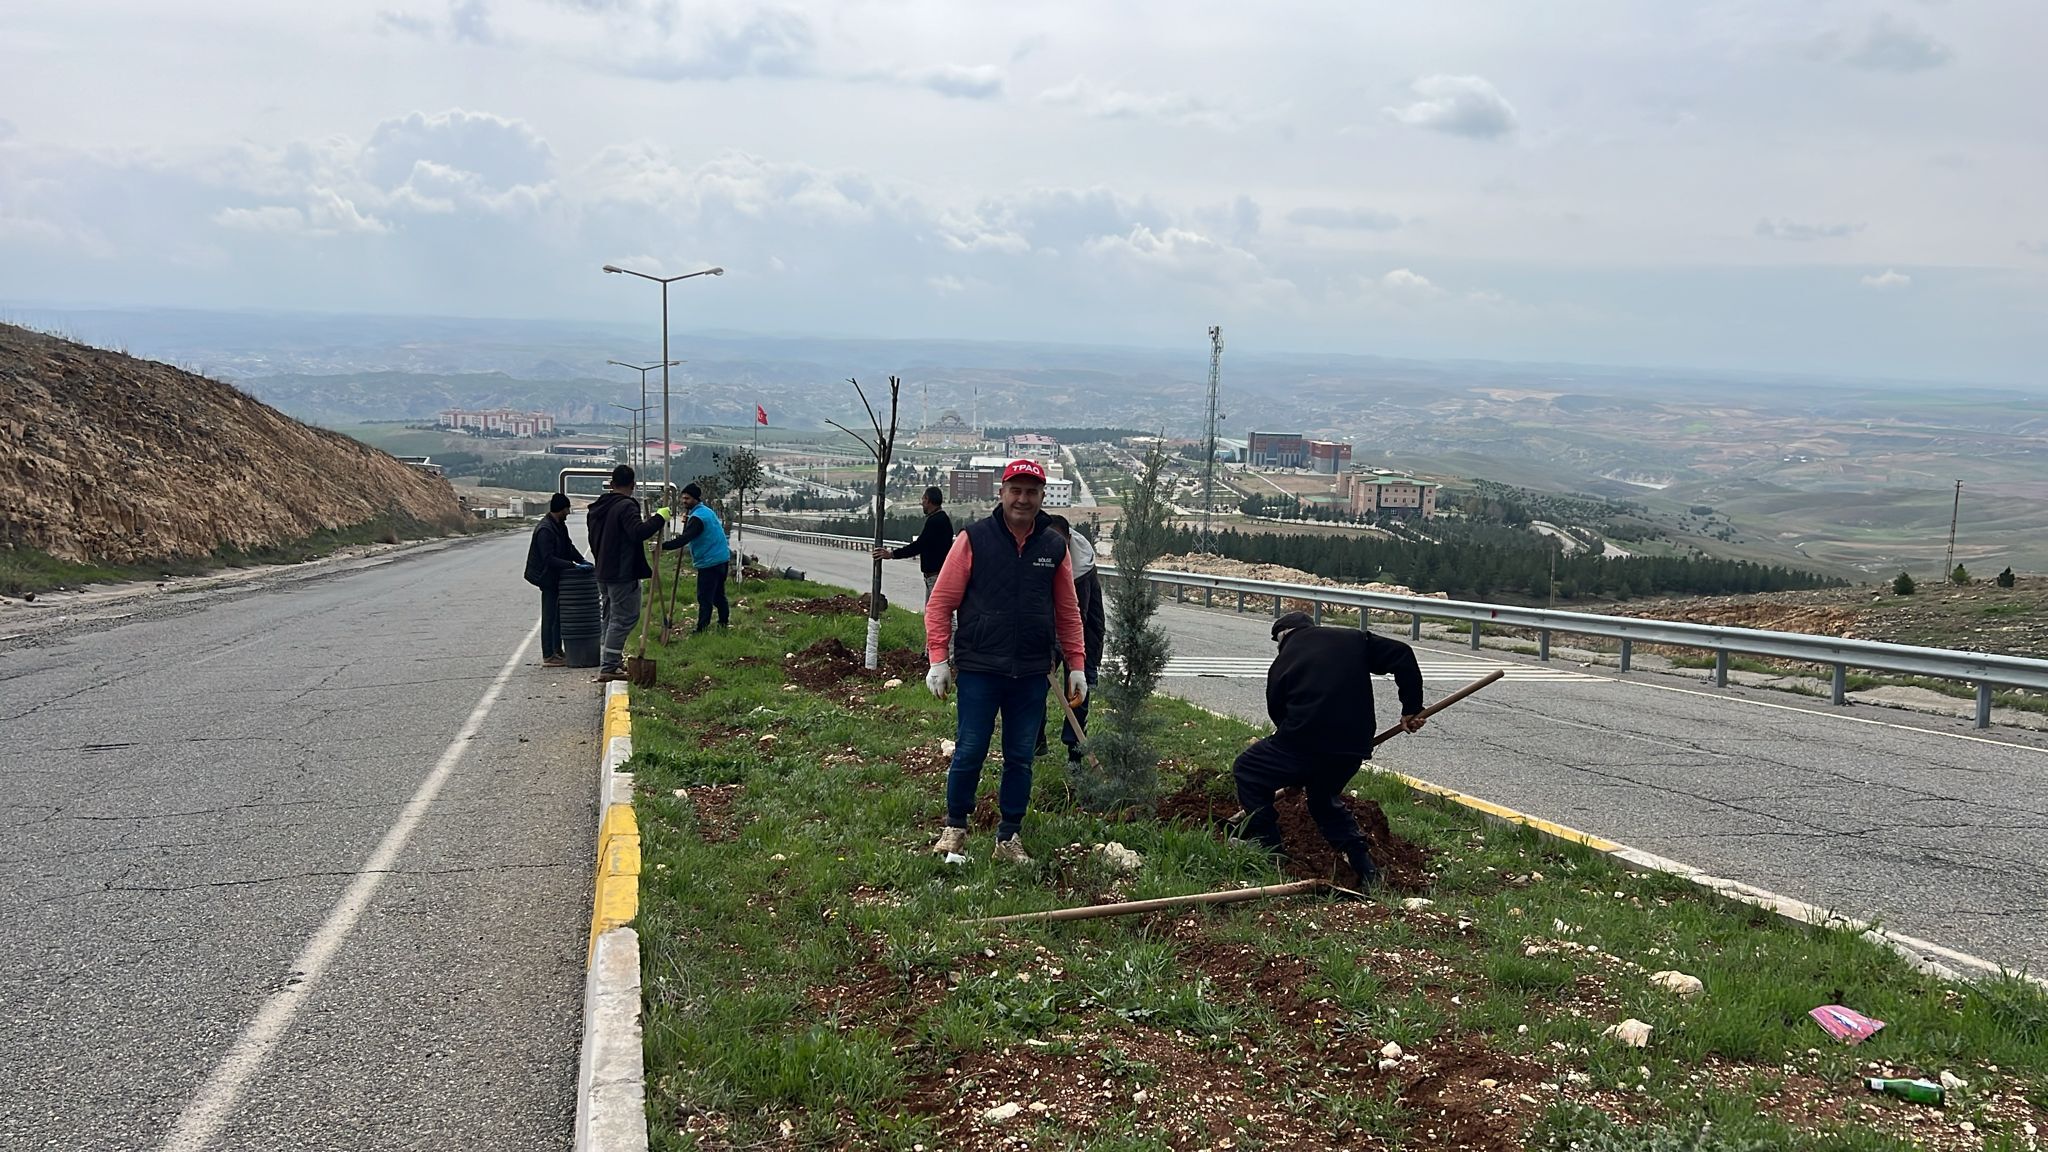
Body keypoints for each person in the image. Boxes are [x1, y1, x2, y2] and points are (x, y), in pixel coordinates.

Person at [924, 459, 1088, 864]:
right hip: (981, 667)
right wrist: (938, 658)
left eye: (1031, 491)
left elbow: (1068, 612)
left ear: (1041, 497)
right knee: (970, 750)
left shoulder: (1053, 548)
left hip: (1032, 672)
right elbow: (940, 603)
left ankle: (1008, 839)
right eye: (1015, 490)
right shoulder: (974, 539)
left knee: (1020, 757)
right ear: (1001, 493)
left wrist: (1077, 664)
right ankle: (955, 828)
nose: (1023, 498)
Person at [1233, 610, 1427, 887]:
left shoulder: (1282, 662)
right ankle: (1365, 869)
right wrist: (1411, 707)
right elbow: (1402, 654)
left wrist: (1293, 771)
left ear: (1284, 636)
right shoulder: (1352, 639)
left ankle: (1268, 848)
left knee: (1248, 769)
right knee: (1322, 798)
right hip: (1352, 745)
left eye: (1279, 642)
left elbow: (1281, 718)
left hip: (1304, 740)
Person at [585, 465, 669, 683]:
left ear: (611, 484)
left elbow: (593, 541)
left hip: (603, 571)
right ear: (632, 485)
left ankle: (609, 659)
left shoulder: (598, 508)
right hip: (622, 573)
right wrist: (659, 518)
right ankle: (609, 666)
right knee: (624, 618)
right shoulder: (626, 506)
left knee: (610, 616)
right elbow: (637, 532)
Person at [1041, 515, 1104, 769]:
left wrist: (1083, 665)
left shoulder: (1081, 566)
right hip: (1047, 628)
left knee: (1078, 691)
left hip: (1083, 632)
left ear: (1069, 539)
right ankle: (1035, 740)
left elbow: (1078, 618)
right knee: (1035, 685)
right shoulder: (1039, 553)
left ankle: (1075, 751)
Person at [523, 492, 590, 666]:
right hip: (545, 576)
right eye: (567, 509)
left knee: (558, 615)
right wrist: (573, 566)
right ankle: (548, 655)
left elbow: (568, 546)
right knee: (549, 616)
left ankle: (557, 650)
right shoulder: (545, 529)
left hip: (556, 576)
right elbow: (548, 559)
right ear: (561, 509)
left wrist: (581, 559)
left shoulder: (559, 525)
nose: (568, 512)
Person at [660, 482, 731, 632]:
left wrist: (663, 546)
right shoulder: (706, 511)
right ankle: (723, 623)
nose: (684, 501)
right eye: (683, 498)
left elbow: (685, 538)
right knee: (718, 595)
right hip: (721, 559)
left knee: (705, 598)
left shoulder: (698, 518)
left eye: (687, 498)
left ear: (696, 499)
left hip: (710, 562)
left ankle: (701, 629)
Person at [873, 486, 954, 602]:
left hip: (936, 576)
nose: (922, 503)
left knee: (939, 614)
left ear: (929, 500)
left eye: (923, 500)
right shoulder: (941, 519)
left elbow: (919, 546)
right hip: (936, 575)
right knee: (934, 615)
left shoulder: (936, 521)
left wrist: (892, 554)